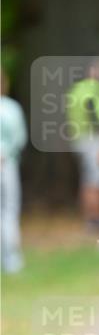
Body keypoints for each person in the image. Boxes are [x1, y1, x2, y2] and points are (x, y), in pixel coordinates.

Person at [66, 60, 99, 231]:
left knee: (88, 179)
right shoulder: (93, 89)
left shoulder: (76, 89)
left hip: (80, 139)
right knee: (96, 180)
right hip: (93, 139)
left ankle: (91, 218)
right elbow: (94, 112)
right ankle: (96, 219)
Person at [0, 71, 27, 273]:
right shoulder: (11, 108)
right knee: (9, 211)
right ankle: (11, 260)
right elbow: (19, 139)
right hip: (7, 163)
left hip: (6, 162)